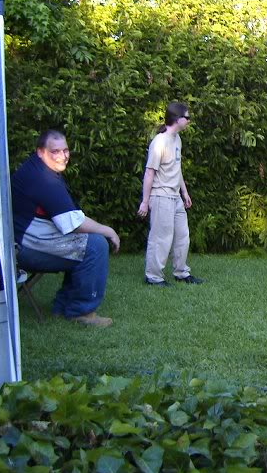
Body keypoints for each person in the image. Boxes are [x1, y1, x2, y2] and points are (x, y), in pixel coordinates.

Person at [11, 130, 120, 327]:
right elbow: (72, 223)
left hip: (23, 242)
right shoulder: (43, 178)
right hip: (25, 250)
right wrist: (108, 231)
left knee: (85, 243)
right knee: (95, 245)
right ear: (40, 152)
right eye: (55, 151)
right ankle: (81, 312)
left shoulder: (37, 169)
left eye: (66, 150)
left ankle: (63, 306)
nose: (62, 156)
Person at [137, 102, 203, 286]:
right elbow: (149, 172)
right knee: (160, 238)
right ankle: (153, 277)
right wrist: (145, 201)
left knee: (182, 236)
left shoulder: (177, 139)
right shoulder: (160, 142)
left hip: (175, 197)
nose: (189, 120)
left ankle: (181, 273)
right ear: (177, 119)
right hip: (161, 196)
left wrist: (184, 192)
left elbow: (176, 167)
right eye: (187, 117)